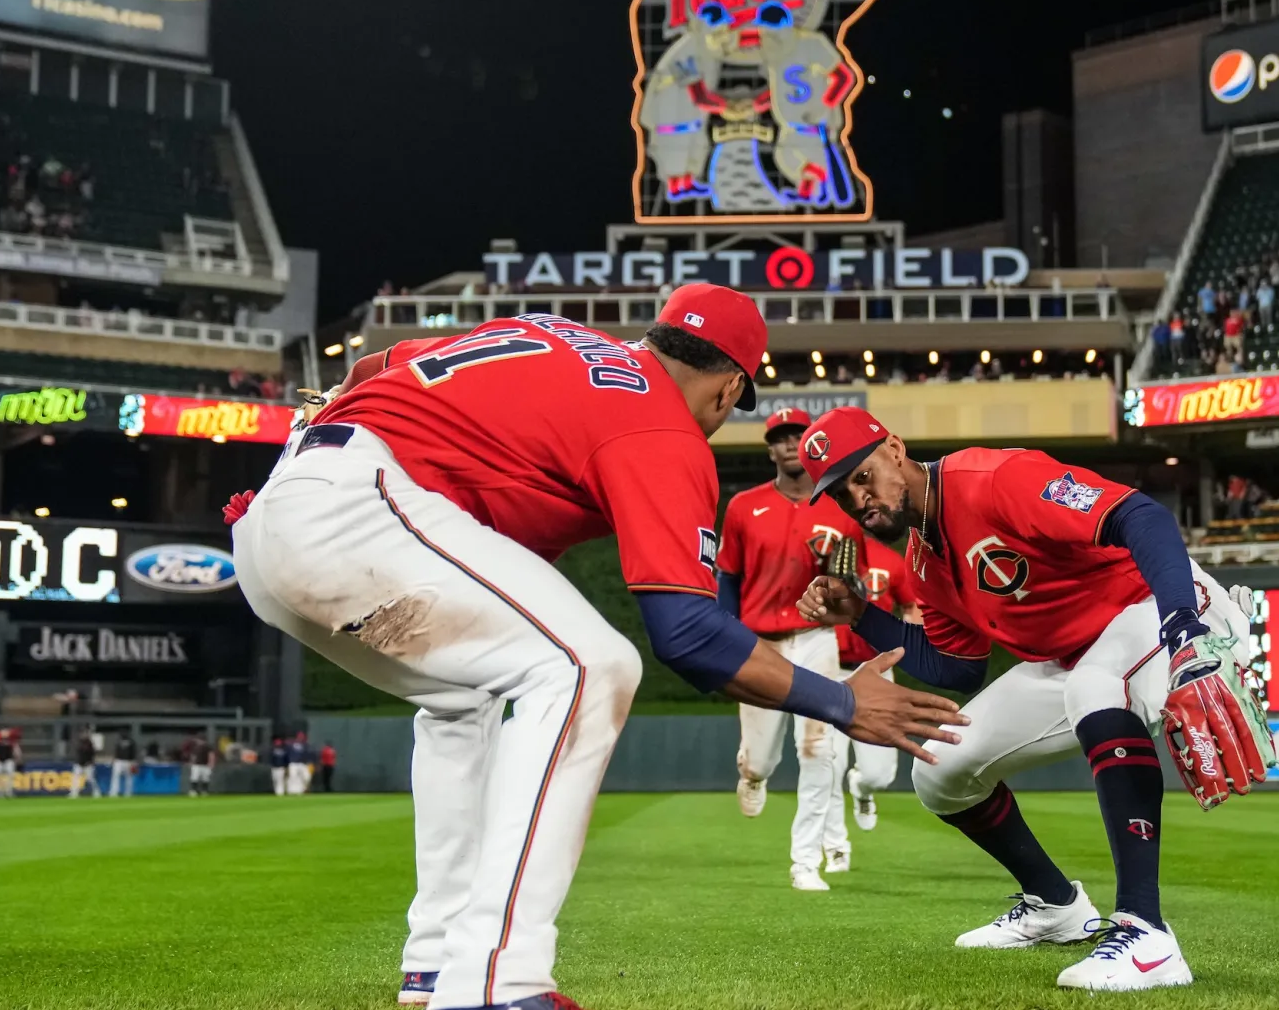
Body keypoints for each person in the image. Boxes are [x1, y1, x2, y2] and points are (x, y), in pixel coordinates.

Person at [227, 284, 960, 1010]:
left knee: (464, 699)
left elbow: (371, 368)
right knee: (590, 668)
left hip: (278, 516)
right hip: (362, 511)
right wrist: (840, 700)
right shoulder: (660, 425)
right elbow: (691, 636)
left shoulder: (552, 332)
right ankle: (497, 984)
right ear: (732, 385)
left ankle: (437, 962)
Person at [794, 407, 1266, 993]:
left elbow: (1141, 516)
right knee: (941, 767)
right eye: (843, 494)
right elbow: (956, 668)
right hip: (1071, 653)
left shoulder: (993, 480)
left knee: (1095, 687)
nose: (859, 498)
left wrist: (1181, 623)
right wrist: (862, 617)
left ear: (894, 448)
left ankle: (1146, 933)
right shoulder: (922, 559)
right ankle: (1057, 905)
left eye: (862, 476)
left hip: (1156, 606)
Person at [716, 405, 866, 890]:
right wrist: (724, 637)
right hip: (759, 641)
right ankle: (753, 774)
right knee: (761, 757)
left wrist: (838, 574)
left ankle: (806, 862)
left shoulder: (839, 510)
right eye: (778, 436)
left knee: (818, 748)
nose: (787, 443)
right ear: (770, 448)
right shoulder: (743, 506)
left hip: (816, 636)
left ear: (810, 444)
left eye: (795, 435)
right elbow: (729, 579)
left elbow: (851, 587)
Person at [831, 532, 921, 839]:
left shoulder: (889, 560)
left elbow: (911, 605)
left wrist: (912, 643)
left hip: (875, 669)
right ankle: (833, 847)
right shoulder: (817, 552)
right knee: (826, 761)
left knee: (878, 775)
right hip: (826, 667)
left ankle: (862, 788)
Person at [0, 726, 20, 798]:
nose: (7, 733)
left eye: (8, 732)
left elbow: (15, 747)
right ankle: (0, 792)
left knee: (11, 775)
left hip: (8, 759)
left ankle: (9, 792)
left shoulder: (11, 738)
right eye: (5, 732)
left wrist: (17, 757)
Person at [71, 728, 99, 798]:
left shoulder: (90, 744)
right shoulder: (79, 743)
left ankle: (96, 793)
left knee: (91, 779)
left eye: (85, 734)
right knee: (75, 778)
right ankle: (74, 793)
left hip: (87, 765)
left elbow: (92, 754)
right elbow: (78, 754)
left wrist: (90, 762)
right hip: (79, 764)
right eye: (83, 734)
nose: (83, 735)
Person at [110, 731, 138, 797]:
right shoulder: (131, 742)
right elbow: (133, 753)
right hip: (127, 761)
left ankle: (114, 792)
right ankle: (127, 793)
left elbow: (116, 752)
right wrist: (134, 762)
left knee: (116, 778)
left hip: (120, 761)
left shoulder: (119, 741)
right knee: (128, 778)